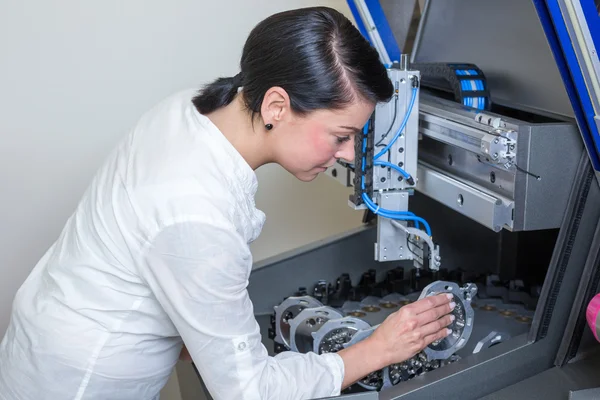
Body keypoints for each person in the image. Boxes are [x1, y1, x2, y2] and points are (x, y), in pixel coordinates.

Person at [0, 6, 455, 400]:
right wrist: (377, 350)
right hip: (80, 382)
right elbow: (249, 392)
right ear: (277, 107)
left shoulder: (189, 110)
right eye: (342, 135)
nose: (350, 155)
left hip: (48, 332)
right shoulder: (196, 212)